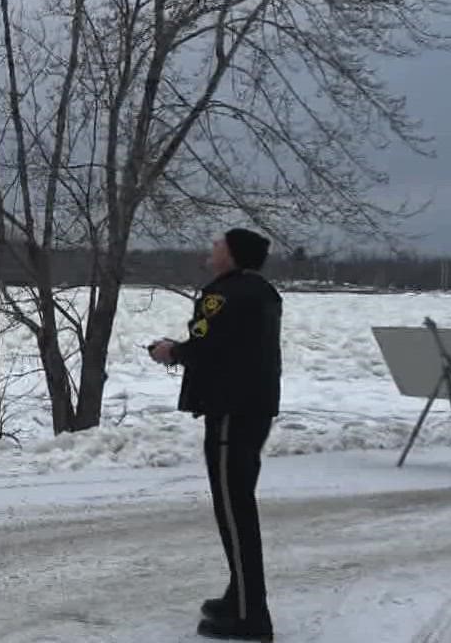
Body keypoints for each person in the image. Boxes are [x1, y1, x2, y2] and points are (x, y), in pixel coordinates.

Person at [149, 227, 282, 641]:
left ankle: (250, 616)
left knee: (234, 511)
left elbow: (210, 349)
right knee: (237, 506)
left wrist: (172, 352)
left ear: (234, 254)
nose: (212, 249)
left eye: (219, 245)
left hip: (230, 411)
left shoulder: (222, 295)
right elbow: (232, 346)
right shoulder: (262, 292)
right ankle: (239, 595)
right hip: (254, 408)